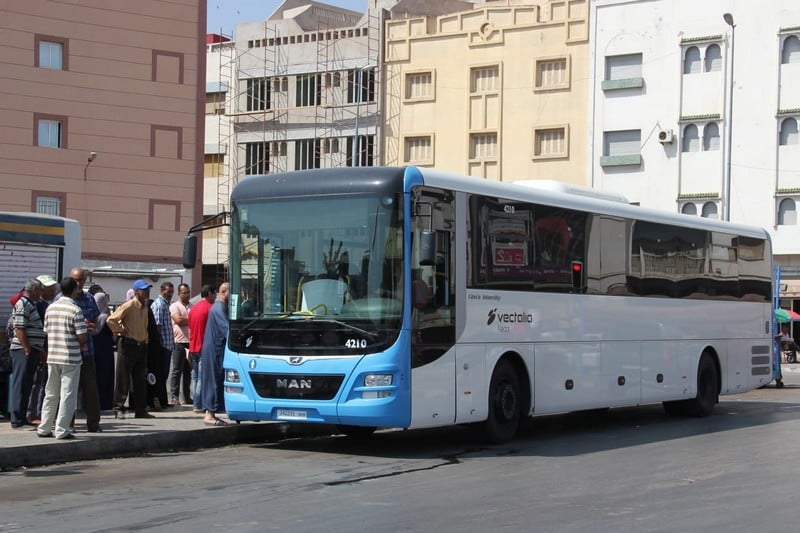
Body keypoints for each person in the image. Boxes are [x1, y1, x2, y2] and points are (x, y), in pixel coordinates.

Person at [37, 277, 88, 440]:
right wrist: (85, 330)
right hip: (70, 358)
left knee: (50, 393)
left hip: (53, 356)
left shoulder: (50, 308)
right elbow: (82, 337)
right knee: (67, 394)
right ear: (75, 290)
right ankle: (61, 429)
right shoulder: (75, 310)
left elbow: (46, 332)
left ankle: (44, 427)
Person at [106, 279, 154, 419]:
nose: (147, 292)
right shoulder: (129, 305)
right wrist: (120, 330)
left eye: (148, 289)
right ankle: (118, 407)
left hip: (141, 344)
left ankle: (140, 409)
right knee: (123, 378)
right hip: (128, 344)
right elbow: (111, 319)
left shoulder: (145, 306)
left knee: (140, 379)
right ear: (136, 291)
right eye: (144, 290)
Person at [62, 267, 102, 432]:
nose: (79, 283)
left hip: (87, 351)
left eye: (82, 280)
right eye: (76, 280)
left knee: (90, 388)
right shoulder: (62, 300)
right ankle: (67, 423)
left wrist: (91, 326)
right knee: (69, 389)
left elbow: (95, 318)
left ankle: (93, 423)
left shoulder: (89, 298)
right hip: (70, 351)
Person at [9, 278, 44, 428]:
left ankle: (22, 417)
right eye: (40, 290)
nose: (41, 294)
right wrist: (27, 349)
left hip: (30, 350)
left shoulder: (30, 304)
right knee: (21, 384)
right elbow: (19, 328)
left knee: (27, 384)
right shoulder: (23, 304)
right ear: (34, 290)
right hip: (23, 351)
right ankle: (16, 419)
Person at [26, 274, 58, 425]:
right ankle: (33, 414)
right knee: (37, 383)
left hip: (44, 348)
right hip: (40, 348)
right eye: (49, 289)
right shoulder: (39, 306)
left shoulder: (45, 305)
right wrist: (42, 350)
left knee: (42, 382)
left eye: (53, 289)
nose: (52, 292)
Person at [201, 282, 229, 426]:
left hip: (215, 349)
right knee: (212, 380)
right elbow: (227, 329)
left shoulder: (219, 307)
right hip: (214, 350)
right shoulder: (219, 308)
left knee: (214, 380)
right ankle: (209, 415)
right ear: (223, 292)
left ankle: (211, 413)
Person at [188, 285, 215, 413]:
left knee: (195, 377)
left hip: (193, 346)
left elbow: (189, 328)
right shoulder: (211, 308)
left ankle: (195, 402)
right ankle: (198, 404)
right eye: (214, 294)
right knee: (202, 378)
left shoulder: (193, 308)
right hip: (204, 347)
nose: (215, 297)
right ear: (209, 293)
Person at [150, 282, 175, 409]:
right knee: (160, 375)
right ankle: (159, 400)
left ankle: (163, 400)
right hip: (162, 346)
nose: (170, 294)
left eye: (171, 292)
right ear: (161, 290)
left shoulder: (166, 304)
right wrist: (157, 346)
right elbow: (157, 326)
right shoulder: (159, 305)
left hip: (168, 345)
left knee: (164, 374)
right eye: (168, 291)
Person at [92, 290, 115, 411]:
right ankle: (105, 403)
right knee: (105, 377)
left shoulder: (93, 317)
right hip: (105, 350)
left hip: (95, 350)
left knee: (96, 378)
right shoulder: (106, 317)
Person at [169, 283, 192, 405]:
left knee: (188, 371)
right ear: (179, 294)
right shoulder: (174, 306)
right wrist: (191, 320)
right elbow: (178, 320)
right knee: (177, 370)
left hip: (190, 343)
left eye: (188, 292)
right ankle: (174, 396)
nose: (187, 295)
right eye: (184, 292)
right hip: (179, 343)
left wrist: (186, 320)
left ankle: (187, 397)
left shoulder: (192, 306)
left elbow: (185, 321)